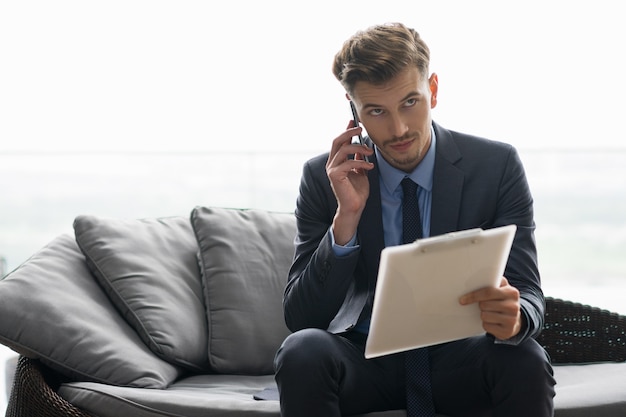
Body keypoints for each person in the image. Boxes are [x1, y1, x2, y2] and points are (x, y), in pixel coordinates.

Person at [274, 22, 556, 417]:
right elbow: (301, 317)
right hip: (365, 360)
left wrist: (515, 317)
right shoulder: (324, 178)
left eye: (410, 102)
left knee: (524, 356)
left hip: (458, 358)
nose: (399, 129)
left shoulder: (496, 166)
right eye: (376, 111)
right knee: (303, 351)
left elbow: (528, 292)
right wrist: (347, 217)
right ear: (353, 112)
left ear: (433, 90)